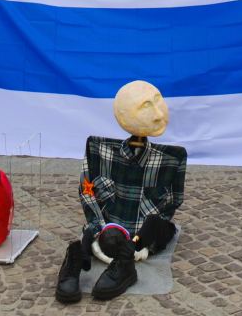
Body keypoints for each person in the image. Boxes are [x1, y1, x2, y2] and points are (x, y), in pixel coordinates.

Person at [55, 80, 186, 303]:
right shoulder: (100, 152)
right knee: (83, 241)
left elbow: (171, 204)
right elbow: (87, 192)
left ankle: (124, 266)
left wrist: (141, 245)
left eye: (158, 101)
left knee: (161, 226)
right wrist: (98, 230)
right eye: (146, 105)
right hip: (106, 233)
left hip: (139, 240)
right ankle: (76, 258)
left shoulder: (171, 161)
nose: (158, 113)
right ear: (124, 115)